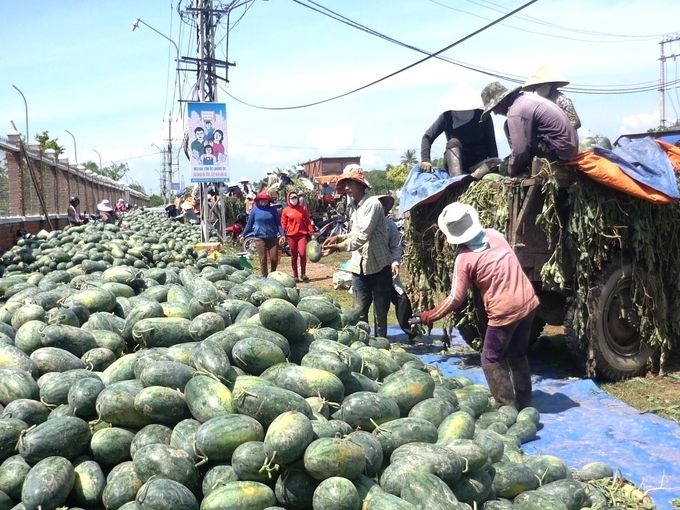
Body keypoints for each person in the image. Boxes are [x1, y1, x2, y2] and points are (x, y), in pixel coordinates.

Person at [417, 202, 539, 409]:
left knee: (490, 358)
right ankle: (525, 402)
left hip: (504, 311)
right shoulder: (495, 235)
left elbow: (456, 298)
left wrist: (431, 315)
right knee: (517, 353)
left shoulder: (464, 258)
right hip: (528, 301)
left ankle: (505, 405)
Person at [322, 166, 392, 338]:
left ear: (361, 185)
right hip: (359, 267)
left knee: (380, 313)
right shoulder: (353, 207)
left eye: (350, 183)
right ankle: (364, 343)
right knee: (359, 311)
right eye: (344, 184)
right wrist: (338, 239)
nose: (346, 188)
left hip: (379, 266)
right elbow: (354, 233)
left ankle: (382, 345)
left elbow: (362, 236)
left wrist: (338, 247)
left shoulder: (373, 205)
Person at [480, 81, 579, 177]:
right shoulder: (527, 99)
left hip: (559, 153)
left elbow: (520, 150)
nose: (496, 113)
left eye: (494, 109)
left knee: (505, 166)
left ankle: (522, 170)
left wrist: (511, 171)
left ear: (500, 102)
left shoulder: (516, 111)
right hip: (568, 149)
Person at [420, 95, 498, 177]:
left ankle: (472, 177)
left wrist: (493, 164)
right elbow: (427, 137)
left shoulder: (483, 116)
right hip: (454, 163)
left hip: (478, 164)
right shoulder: (447, 116)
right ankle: (457, 179)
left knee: (496, 161)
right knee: (454, 141)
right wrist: (425, 160)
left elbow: (491, 143)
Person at [377, 195, 419, 342]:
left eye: (381, 206)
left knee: (401, 299)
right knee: (374, 303)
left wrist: (395, 262)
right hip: (368, 271)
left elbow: (396, 246)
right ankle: (375, 337)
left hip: (387, 269)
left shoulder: (390, 226)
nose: (379, 209)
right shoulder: (363, 224)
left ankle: (411, 332)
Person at [522, 64, 581, 129]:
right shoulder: (534, 102)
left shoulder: (562, 100)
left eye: (539, 86)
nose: (536, 89)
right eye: (535, 87)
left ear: (549, 85)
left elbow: (575, 123)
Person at [241, 191, 283, 276]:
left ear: (268, 201)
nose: (263, 201)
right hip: (259, 238)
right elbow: (249, 224)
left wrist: (282, 235)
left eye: (265, 200)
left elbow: (278, 224)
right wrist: (243, 235)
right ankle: (264, 277)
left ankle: (273, 274)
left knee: (274, 258)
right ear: (258, 200)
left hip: (272, 237)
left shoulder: (273, 210)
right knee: (263, 259)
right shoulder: (254, 210)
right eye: (261, 200)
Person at [281, 190, 315, 283]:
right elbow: (283, 224)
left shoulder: (302, 209)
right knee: (294, 255)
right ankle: (295, 275)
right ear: (288, 199)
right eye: (292, 198)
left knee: (303, 254)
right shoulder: (285, 210)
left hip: (301, 235)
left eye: (295, 197)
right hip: (291, 236)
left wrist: (311, 233)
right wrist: (282, 235)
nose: (294, 199)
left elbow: (308, 222)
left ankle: (303, 274)